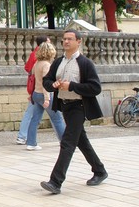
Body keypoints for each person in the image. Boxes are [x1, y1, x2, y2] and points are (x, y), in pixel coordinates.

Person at [40, 30, 107, 195]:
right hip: (65, 106)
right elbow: (46, 81)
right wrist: (53, 85)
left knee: (67, 142)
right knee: (81, 141)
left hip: (79, 106)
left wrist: (72, 86)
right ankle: (99, 171)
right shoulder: (58, 62)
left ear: (79, 41)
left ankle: (55, 182)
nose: (66, 42)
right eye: (64, 39)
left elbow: (95, 87)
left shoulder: (85, 63)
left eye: (70, 39)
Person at [16, 35, 65, 144]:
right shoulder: (46, 65)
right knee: (57, 118)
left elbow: (33, 78)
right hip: (44, 94)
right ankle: (65, 142)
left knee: (35, 119)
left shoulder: (37, 63)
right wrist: (47, 98)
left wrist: (31, 93)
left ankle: (31, 143)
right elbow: (45, 83)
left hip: (36, 94)